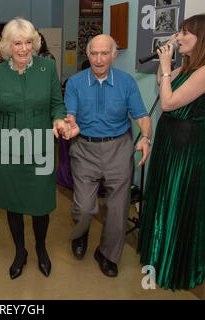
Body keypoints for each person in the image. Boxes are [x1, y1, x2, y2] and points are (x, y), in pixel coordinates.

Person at [0, 18, 71, 279]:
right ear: (6, 46)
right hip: (9, 149)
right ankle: (20, 252)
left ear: (35, 43)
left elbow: (57, 103)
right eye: (17, 43)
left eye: (28, 42)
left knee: (40, 205)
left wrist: (58, 118)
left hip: (41, 147)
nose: (23, 48)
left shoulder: (47, 67)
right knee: (13, 205)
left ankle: (41, 249)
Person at [64, 34, 152, 277]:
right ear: (88, 55)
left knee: (118, 207)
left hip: (118, 148)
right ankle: (80, 233)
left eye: (104, 53)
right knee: (84, 208)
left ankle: (107, 254)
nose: (99, 59)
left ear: (114, 55)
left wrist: (145, 137)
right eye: (94, 53)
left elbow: (142, 116)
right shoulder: (75, 82)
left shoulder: (126, 82)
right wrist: (69, 124)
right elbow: (69, 114)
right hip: (84, 149)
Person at [138, 14, 205, 290]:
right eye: (178, 31)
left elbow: (167, 102)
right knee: (164, 196)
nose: (178, 37)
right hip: (169, 143)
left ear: (201, 38)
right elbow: (161, 81)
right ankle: (158, 254)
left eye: (184, 33)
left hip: (186, 146)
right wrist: (166, 62)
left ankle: (175, 263)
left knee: (177, 200)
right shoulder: (188, 68)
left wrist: (166, 65)